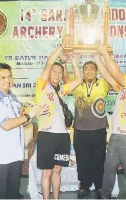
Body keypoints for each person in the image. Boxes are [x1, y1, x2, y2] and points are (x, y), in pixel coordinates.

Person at [0, 63, 48, 199]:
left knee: (12, 193)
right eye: (3, 77)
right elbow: (6, 125)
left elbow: (21, 123)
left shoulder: (12, 98)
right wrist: (28, 115)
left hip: (14, 155)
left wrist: (35, 114)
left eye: (9, 76)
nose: (7, 80)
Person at [34, 35, 82, 200]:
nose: (57, 74)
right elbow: (49, 62)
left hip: (63, 136)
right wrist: (62, 47)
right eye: (54, 71)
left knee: (57, 170)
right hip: (46, 135)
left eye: (60, 72)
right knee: (46, 171)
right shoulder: (42, 86)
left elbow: (79, 80)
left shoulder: (61, 91)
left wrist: (74, 61)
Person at [97, 46, 126, 199]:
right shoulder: (124, 87)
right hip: (116, 134)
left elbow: (116, 73)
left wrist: (104, 53)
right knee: (109, 168)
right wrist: (97, 57)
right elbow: (108, 75)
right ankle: (106, 195)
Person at [62, 58, 112, 199]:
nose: (89, 71)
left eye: (92, 69)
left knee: (98, 159)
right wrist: (66, 62)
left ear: (97, 71)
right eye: (86, 69)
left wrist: (106, 58)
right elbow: (66, 78)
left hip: (99, 129)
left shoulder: (103, 83)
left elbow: (109, 73)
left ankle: (99, 185)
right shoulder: (77, 84)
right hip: (80, 130)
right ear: (82, 72)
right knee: (82, 159)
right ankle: (84, 185)